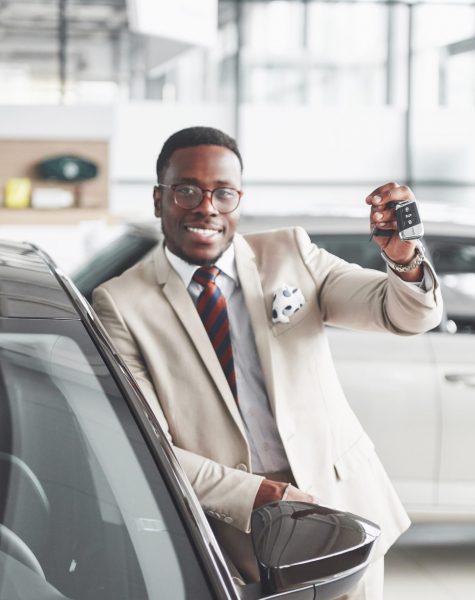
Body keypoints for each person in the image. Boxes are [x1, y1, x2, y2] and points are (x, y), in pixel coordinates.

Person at [93, 126, 443, 599]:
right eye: (187, 190)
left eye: (223, 193)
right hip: (240, 531)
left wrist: (404, 259)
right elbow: (148, 446)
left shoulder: (290, 252)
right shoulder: (121, 302)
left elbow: (405, 314)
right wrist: (261, 495)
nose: (206, 207)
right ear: (159, 199)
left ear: (239, 199)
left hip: (342, 511)